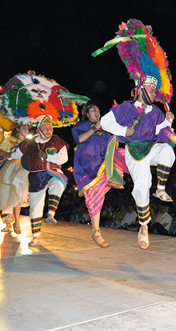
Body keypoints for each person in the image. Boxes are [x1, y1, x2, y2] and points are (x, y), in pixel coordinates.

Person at [98, 19, 176, 251]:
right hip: (134, 151)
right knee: (142, 186)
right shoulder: (126, 107)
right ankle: (143, 226)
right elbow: (105, 122)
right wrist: (125, 131)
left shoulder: (155, 111)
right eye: (152, 89)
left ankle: (161, 188)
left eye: (156, 89)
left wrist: (169, 121)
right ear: (142, 87)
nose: (156, 92)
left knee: (167, 151)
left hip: (151, 147)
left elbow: (159, 130)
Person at [19, 115, 69, 247]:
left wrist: (48, 156)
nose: (48, 131)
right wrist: (6, 154)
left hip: (53, 172)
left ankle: (51, 214)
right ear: (38, 129)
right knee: (35, 207)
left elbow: (64, 158)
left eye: (50, 128)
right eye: (45, 128)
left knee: (58, 182)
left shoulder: (57, 141)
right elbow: (17, 153)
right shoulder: (29, 143)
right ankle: (36, 237)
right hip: (35, 176)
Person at [72, 102, 114, 248]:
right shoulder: (81, 126)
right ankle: (96, 232)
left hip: (102, 166)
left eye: (98, 109)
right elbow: (80, 139)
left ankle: (112, 178)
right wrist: (96, 127)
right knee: (93, 198)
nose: (97, 111)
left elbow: (114, 142)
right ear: (86, 113)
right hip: (87, 167)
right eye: (93, 110)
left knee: (98, 197)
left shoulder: (106, 128)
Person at [0, 124, 30, 234]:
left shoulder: (30, 141)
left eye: (27, 128)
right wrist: (5, 153)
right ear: (17, 129)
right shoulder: (10, 140)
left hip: (23, 168)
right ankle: (8, 223)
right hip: (10, 168)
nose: (26, 130)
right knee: (6, 195)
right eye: (23, 128)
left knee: (18, 194)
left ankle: (17, 223)